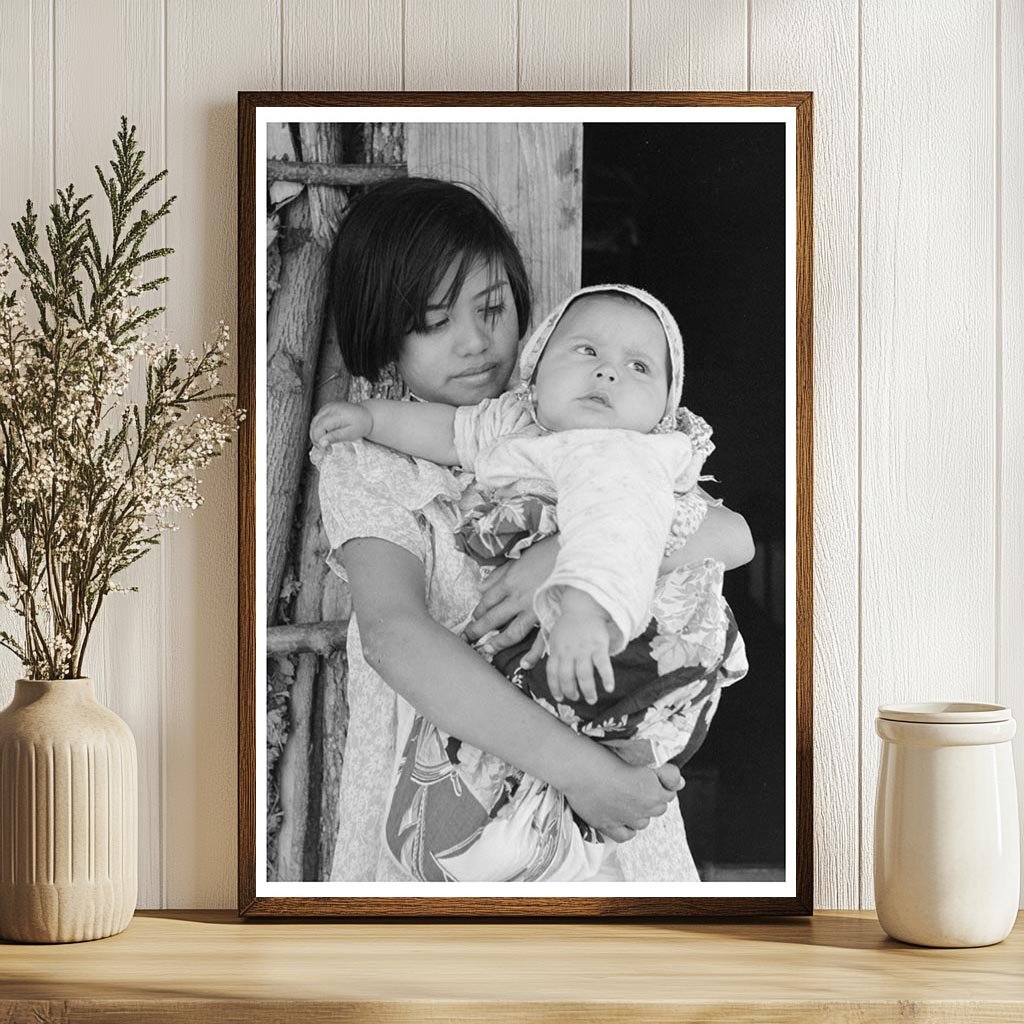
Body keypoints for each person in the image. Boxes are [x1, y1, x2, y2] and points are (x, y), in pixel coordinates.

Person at [312, 177, 754, 883]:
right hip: (459, 799)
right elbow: (395, 639)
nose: (476, 342)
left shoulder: (586, 424)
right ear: (383, 338)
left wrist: (561, 556)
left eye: (493, 308)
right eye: (434, 322)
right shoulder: (372, 463)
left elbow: (731, 535)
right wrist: (581, 773)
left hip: (609, 797)